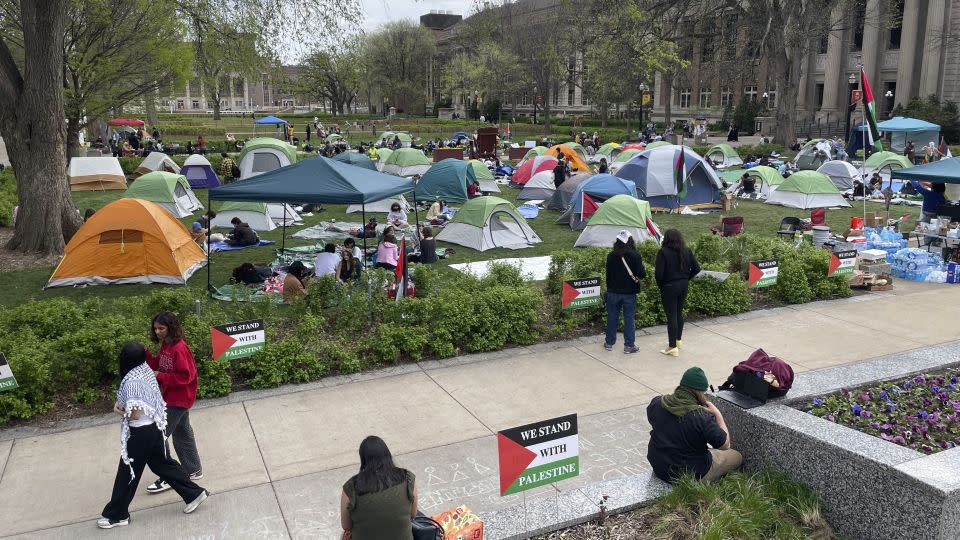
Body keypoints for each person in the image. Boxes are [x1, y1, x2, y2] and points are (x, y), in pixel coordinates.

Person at [99, 342, 208, 529]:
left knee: (127, 474)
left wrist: (117, 410)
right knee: (162, 465)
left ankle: (117, 515)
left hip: (140, 433)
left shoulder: (131, 381)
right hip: (155, 429)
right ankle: (194, 493)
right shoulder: (146, 370)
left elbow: (133, 414)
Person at [143, 312, 205, 495]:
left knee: (158, 435)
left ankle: (171, 475)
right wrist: (145, 353)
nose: (158, 331)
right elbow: (159, 365)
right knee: (183, 433)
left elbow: (187, 376)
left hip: (178, 399)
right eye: (156, 328)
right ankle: (193, 469)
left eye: (161, 328)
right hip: (173, 397)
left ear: (171, 327)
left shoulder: (179, 348)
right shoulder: (166, 345)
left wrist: (160, 376)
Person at [646, 367, 742, 484]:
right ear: (699, 392)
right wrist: (718, 414)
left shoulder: (657, 402)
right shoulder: (701, 417)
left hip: (659, 465)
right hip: (690, 472)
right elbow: (725, 445)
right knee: (736, 456)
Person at [341, 436, 417, 540]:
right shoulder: (408, 478)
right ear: (387, 455)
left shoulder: (351, 487)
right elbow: (413, 514)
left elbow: (346, 526)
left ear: (363, 459)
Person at [655, 229, 701, 357]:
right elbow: (697, 268)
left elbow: (658, 274)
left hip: (669, 286)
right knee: (678, 313)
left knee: (671, 316)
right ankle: (678, 340)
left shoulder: (663, 252)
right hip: (683, 285)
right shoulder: (686, 251)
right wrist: (686, 278)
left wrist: (662, 286)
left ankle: (672, 347)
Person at [604, 230, 646, 354]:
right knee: (629, 319)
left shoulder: (611, 255)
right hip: (629, 293)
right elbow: (642, 274)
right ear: (630, 241)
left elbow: (608, 275)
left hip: (613, 292)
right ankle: (629, 346)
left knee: (612, 317)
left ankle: (609, 343)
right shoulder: (635, 255)